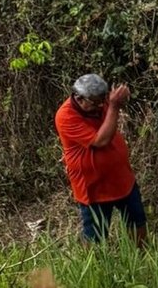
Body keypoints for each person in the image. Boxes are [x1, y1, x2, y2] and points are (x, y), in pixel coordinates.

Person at [54, 74, 147, 247]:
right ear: (79, 98)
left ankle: (142, 256)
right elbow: (100, 140)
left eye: (103, 101)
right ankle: (94, 269)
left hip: (121, 178)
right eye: (95, 103)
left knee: (137, 220)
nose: (100, 107)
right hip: (93, 186)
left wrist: (117, 98)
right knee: (95, 235)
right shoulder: (65, 116)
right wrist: (114, 106)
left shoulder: (100, 102)